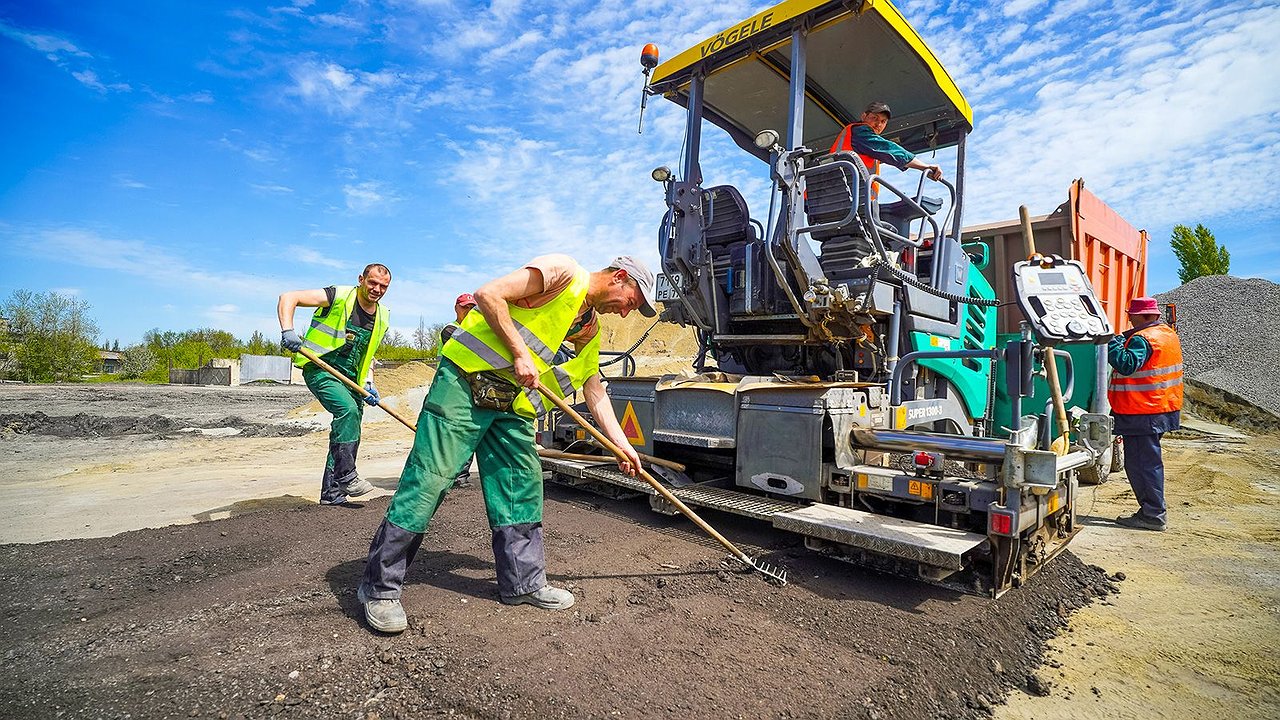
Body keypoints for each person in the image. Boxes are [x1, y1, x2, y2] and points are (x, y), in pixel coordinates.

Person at [356, 255, 656, 634]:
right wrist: (519, 353)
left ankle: (524, 582)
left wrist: (621, 446)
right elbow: (488, 294)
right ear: (620, 277)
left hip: (511, 404)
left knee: (522, 485)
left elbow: (593, 389)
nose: (628, 313)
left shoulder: (588, 328)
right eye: (632, 300)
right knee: (431, 478)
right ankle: (379, 589)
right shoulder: (562, 272)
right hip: (464, 384)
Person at [278, 263, 392, 506]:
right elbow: (289, 297)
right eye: (372, 283)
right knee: (347, 411)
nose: (377, 289)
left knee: (349, 428)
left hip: (351, 379)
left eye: (383, 286)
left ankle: (332, 493)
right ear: (361, 279)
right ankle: (347, 477)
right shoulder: (338, 296)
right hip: (321, 367)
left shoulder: (383, 317)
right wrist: (287, 330)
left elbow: (368, 353)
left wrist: (369, 383)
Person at [1107, 296, 1183, 531]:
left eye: (1131, 315)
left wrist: (1112, 343)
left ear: (1143, 316)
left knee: (1142, 465)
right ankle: (1151, 512)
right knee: (1146, 462)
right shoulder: (1167, 335)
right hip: (1158, 408)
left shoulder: (1144, 339)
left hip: (1142, 411)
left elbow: (1126, 364)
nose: (1129, 319)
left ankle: (1152, 515)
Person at [829, 101, 944, 183]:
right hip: (853, 201)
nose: (878, 124)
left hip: (837, 197)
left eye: (883, 121)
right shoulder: (860, 131)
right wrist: (925, 167)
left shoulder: (854, 139)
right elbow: (889, 150)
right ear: (864, 116)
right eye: (874, 118)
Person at [442, 292, 478, 488]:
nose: (469, 311)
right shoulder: (450, 330)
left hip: (472, 389)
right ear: (457, 308)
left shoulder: (478, 330)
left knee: (469, 432)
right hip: (452, 387)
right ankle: (447, 475)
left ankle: (461, 476)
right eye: (465, 307)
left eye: (473, 308)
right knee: (450, 433)